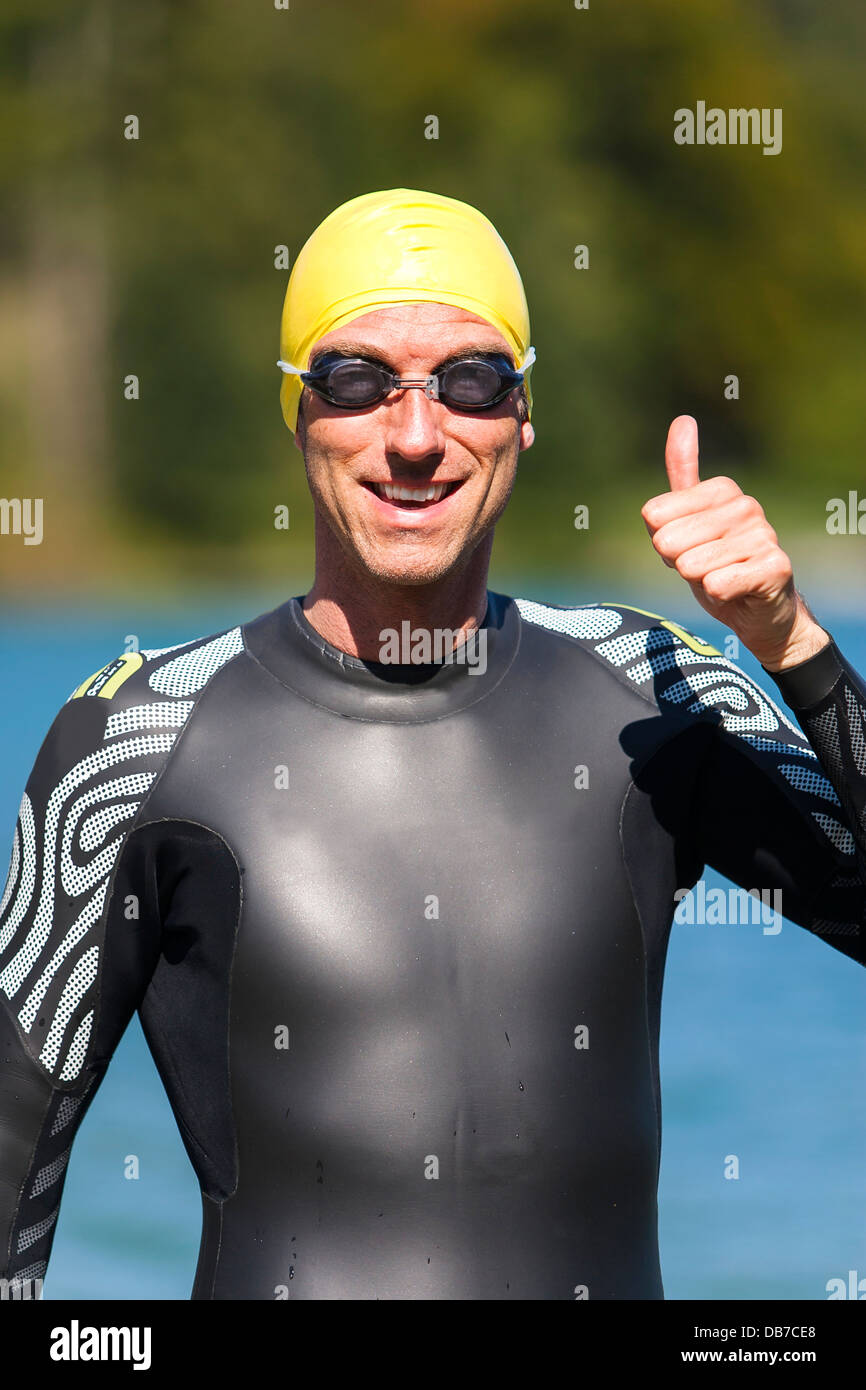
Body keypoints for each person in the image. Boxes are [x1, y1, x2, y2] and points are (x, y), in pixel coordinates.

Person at [0, 188, 863, 1301]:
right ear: (296, 411)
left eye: (470, 381)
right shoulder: (132, 745)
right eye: (354, 381)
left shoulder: (656, 693)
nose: (414, 436)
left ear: (521, 416)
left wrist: (789, 641)